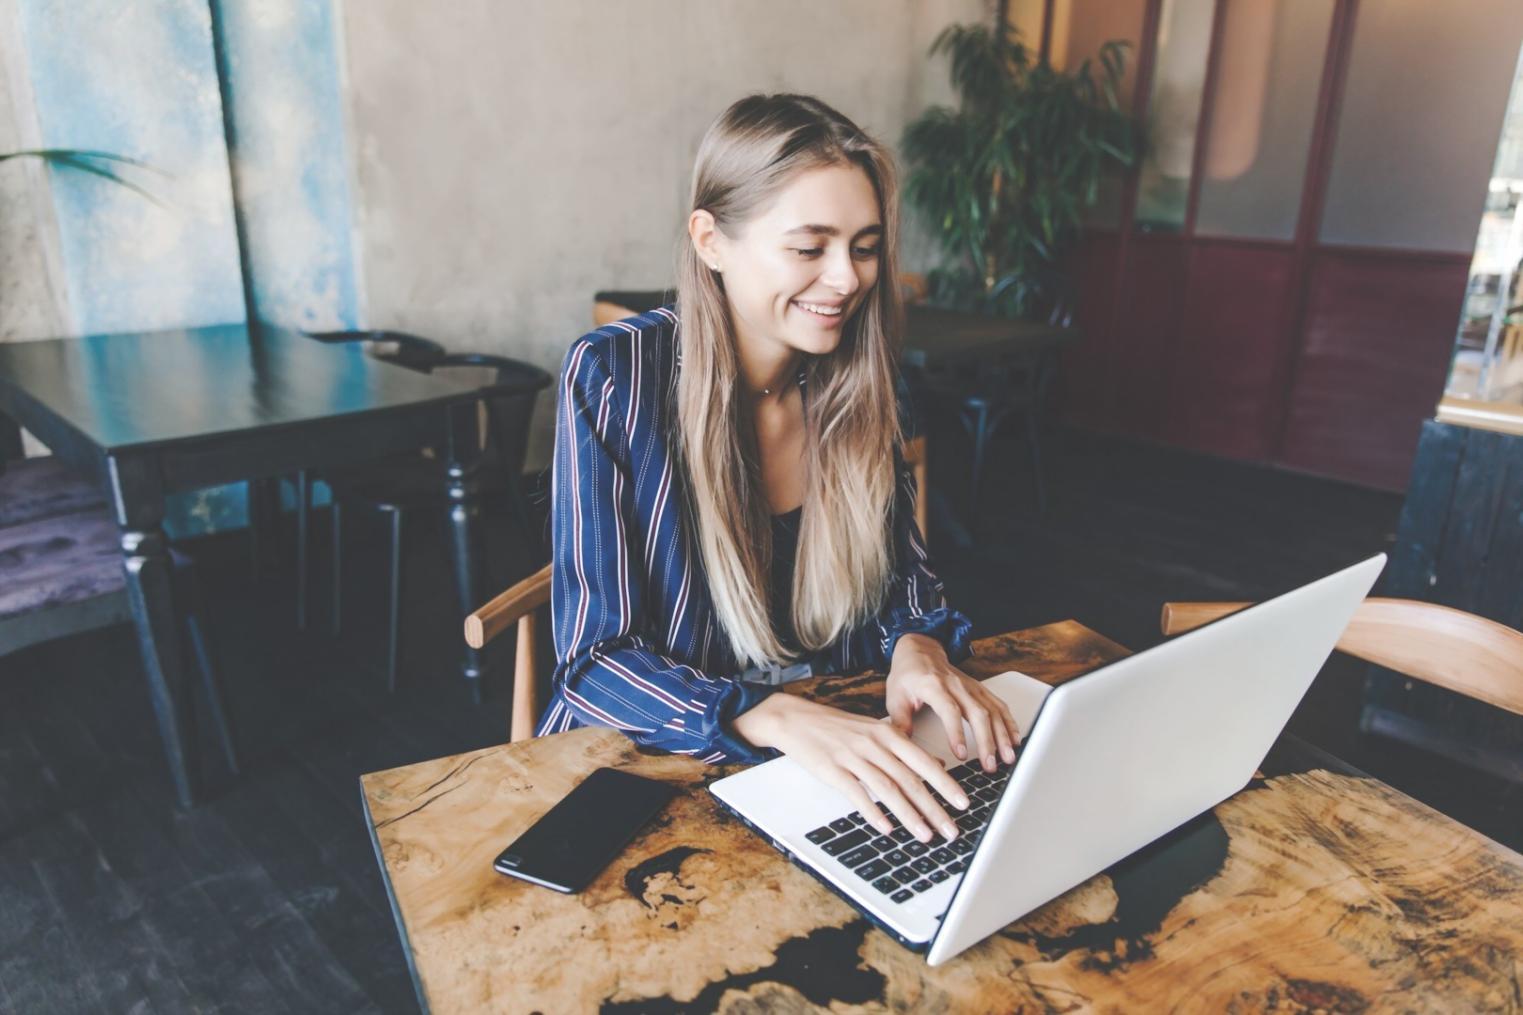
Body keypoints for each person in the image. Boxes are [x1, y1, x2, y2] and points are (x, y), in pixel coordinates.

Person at [538, 93, 1019, 846]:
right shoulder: (613, 374)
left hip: (824, 762)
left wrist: (916, 648)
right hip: (652, 770)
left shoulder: (861, 379)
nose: (847, 278)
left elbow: (906, 583)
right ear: (710, 240)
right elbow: (594, 662)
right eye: (808, 247)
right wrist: (768, 714)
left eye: (863, 246)